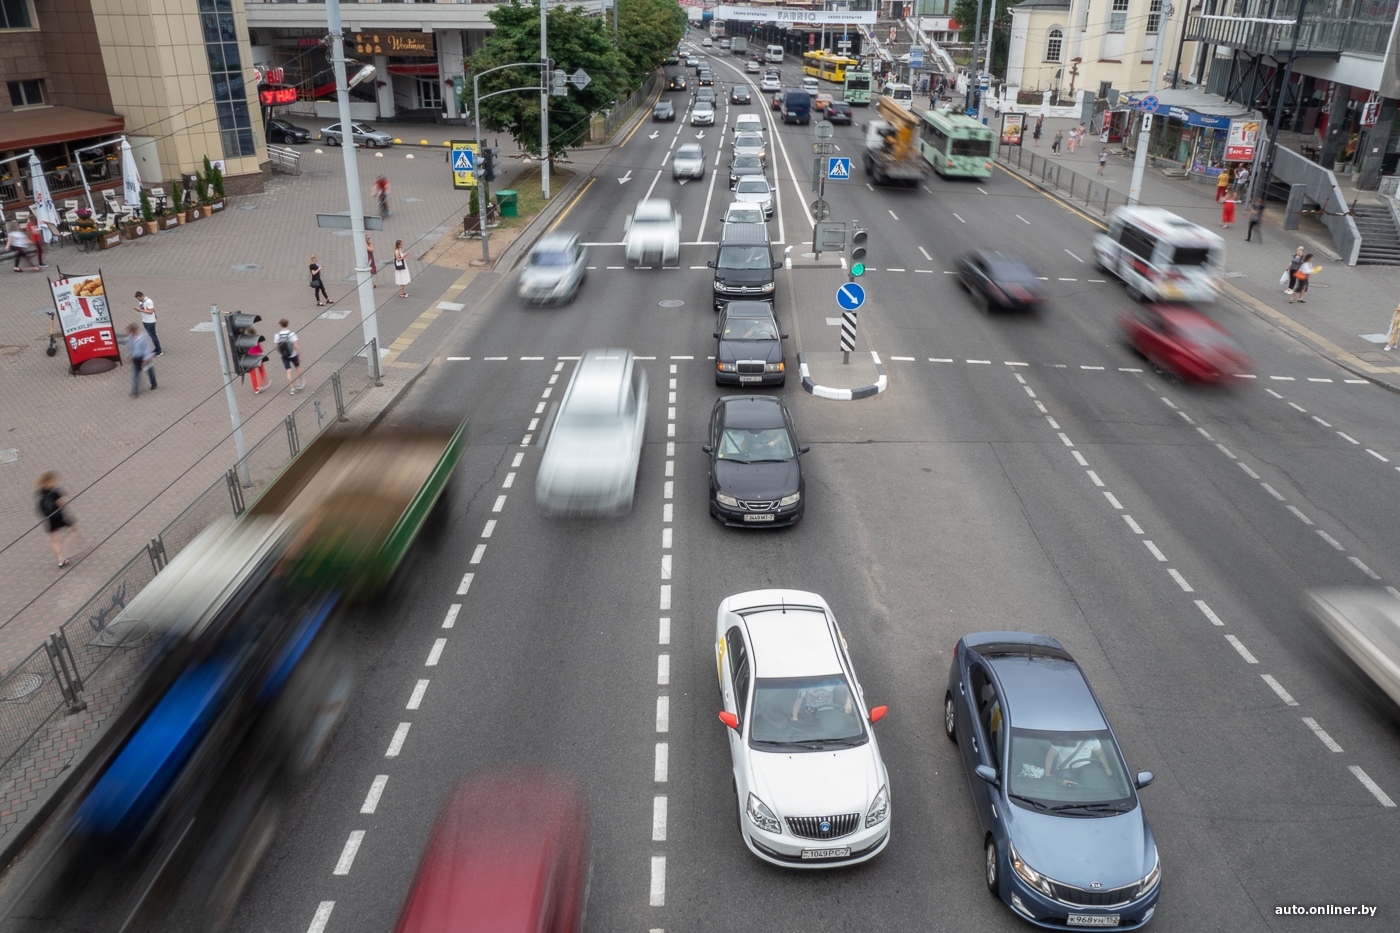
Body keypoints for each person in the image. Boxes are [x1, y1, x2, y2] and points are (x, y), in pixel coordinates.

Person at [36, 472, 85, 569]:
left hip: (50, 519)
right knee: (73, 528)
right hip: (59, 516)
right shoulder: (55, 491)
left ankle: (60, 560)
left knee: (55, 540)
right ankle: (73, 546)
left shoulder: (41, 491)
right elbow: (62, 503)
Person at [1044, 734, 1116, 779]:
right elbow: (1050, 756)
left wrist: (1107, 768)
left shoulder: (1092, 739)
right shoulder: (1062, 739)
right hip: (1066, 770)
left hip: (1086, 769)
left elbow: (1100, 753)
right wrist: (1047, 774)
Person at [125, 322, 157, 395]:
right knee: (135, 374)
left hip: (144, 358)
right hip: (136, 358)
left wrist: (147, 359)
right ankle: (135, 390)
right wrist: (130, 356)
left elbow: (147, 348)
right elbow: (129, 348)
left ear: (133, 330)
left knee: (150, 372)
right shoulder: (129, 338)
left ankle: (154, 383)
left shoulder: (142, 337)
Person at [275, 319, 305, 393]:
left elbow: (276, 347)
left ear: (280, 325)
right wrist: (299, 355)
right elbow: (296, 346)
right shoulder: (292, 334)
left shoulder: (277, 335)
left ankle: (292, 389)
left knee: (288, 371)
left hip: (284, 356)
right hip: (293, 355)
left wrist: (281, 353)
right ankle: (299, 381)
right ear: (287, 324)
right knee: (297, 367)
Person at [134, 290, 162, 356]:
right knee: (151, 335)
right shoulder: (141, 302)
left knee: (153, 336)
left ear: (142, 296)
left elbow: (151, 312)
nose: (139, 300)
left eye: (139, 298)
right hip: (145, 320)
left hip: (150, 321)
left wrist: (140, 310)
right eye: (137, 298)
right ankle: (157, 348)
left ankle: (159, 350)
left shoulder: (149, 301)